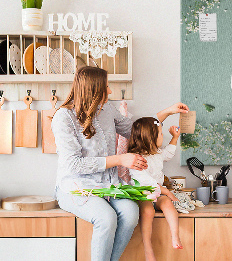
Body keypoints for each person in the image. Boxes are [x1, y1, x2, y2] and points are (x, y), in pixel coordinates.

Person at [51, 66, 189, 261]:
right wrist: (120, 159)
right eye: (106, 86)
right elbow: (73, 164)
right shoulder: (64, 118)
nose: (110, 91)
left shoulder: (107, 109)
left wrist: (168, 111)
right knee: (106, 219)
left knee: (131, 214)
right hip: (76, 188)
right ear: (94, 90)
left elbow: (137, 130)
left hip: (110, 186)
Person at [127, 117, 183, 261]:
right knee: (148, 211)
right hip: (143, 193)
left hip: (158, 193)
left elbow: (169, 154)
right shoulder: (136, 158)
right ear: (149, 138)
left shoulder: (157, 153)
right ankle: (148, 248)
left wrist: (175, 138)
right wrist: (167, 191)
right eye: (160, 133)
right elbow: (145, 182)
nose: (162, 136)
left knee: (168, 205)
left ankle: (175, 236)